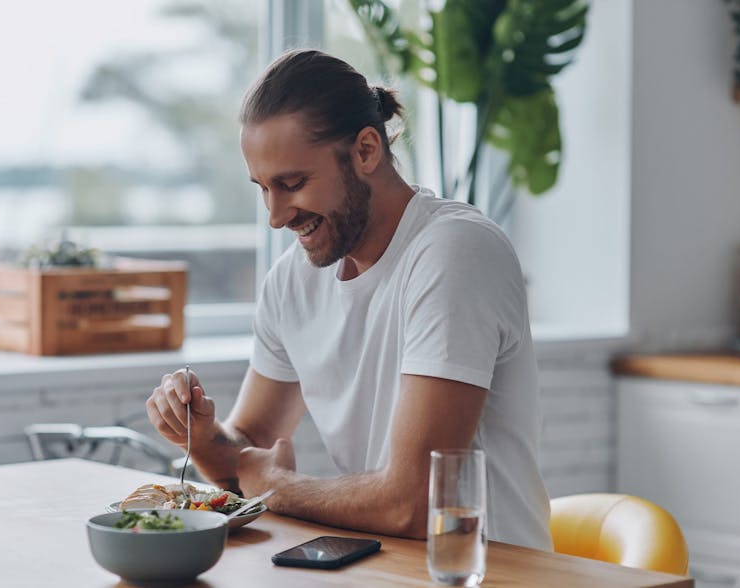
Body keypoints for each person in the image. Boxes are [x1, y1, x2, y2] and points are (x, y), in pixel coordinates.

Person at [146, 48, 552, 549]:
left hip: (490, 574)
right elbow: (245, 457)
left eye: (292, 184)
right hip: (378, 570)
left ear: (365, 150)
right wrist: (203, 437)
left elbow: (414, 503)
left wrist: (276, 488)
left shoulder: (455, 251)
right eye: (263, 188)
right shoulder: (291, 281)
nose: (276, 216)